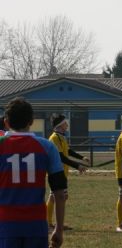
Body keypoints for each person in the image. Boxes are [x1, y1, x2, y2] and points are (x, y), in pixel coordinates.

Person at [0, 97, 67, 248]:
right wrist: (59, 228)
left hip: (5, 224)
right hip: (36, 225)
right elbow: (60, 193)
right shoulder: (47, 147)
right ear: (31, 121)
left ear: (6, 122)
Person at [46, 113, 90, 229]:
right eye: (65, 123)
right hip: (56, 172)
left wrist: (81, 158)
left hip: (61, 171)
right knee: (57, 197)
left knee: (56, 197)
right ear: (60, 125)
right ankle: (50, 223)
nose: (67, 124)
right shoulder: (54, 138)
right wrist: (78, 166)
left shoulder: (61, 137)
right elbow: (61, 157)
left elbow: (68, 151)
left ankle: (52, 223)